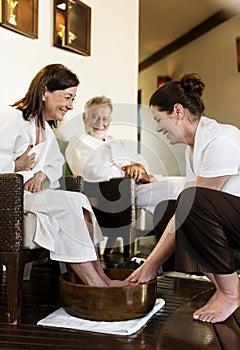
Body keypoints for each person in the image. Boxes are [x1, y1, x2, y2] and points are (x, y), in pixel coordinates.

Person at [0, 63, 131, 287]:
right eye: (68, 97)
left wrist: (40, 174)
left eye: (73, 99)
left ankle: (102, 278)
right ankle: (95, 283)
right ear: (45, 92)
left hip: (31, 195)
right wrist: (16, 164)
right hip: (10, 197)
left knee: (78, 201)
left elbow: (55, 165)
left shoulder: (45, 129)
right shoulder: (14, 120)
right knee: (69, 201)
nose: (71, 106)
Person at [127, 73, 240, 323]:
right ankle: (226, 285)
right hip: (232, 218)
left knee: (191, 201)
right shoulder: (194, 148)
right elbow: (183, 212)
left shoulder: (219, 139)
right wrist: (149, 265)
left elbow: (194, 206)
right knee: (167, 208)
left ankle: (231, 292)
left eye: (158, 119)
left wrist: (149, 264)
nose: (157, 128)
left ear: (177, 111)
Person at [65, 95, 185, 216]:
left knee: (186, 183)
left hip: (137, 187)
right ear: (84, 118)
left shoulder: (116, 142)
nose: (100, 123)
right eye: (95, 117)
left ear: (110, 120)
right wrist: (129, 171)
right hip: (114, 194)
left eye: (105, 118)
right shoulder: (78, 141)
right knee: (177, 188)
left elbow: (138, 159)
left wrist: (139, 167)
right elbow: (92, 172)